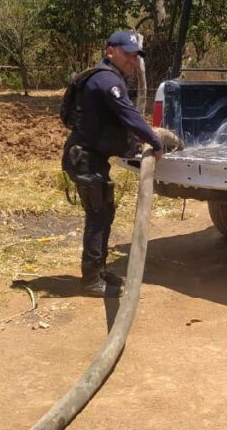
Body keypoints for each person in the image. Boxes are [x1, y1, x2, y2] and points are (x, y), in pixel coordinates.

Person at [61, 30, 164, 297]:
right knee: (98, 215)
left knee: (104, 212)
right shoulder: (107, 81)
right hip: (84, 158)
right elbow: (129, 115)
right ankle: (92, 280)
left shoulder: (103, 77)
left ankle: (100, 272)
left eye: (135, 56)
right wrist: (155, 140)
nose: (132, 60)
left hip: (91, 157)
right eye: (127, 54)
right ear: (109, 51)